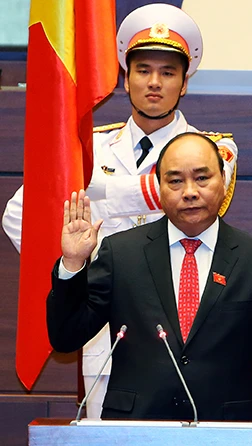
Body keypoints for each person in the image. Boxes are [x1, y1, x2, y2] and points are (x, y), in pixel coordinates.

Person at [2, 4, 238, 418]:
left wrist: (92, 188)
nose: (154, 82)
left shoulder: (214, 150)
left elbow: (172, 196)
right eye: (142, 70)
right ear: (125, 79)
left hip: (183, 329)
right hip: (108, 333)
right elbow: (20, 213)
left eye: (168, 73)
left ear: (184, 83)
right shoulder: (87, 145)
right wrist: (87, 270)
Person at [47, 132, 252, 421]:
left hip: (223, 429)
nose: (190, 192)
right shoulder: (121, 253)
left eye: (202, 178)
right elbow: (66, 337)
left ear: (223, 180)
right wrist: (73, 263)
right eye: (175, 181)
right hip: (135, 427)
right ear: (159, 187)